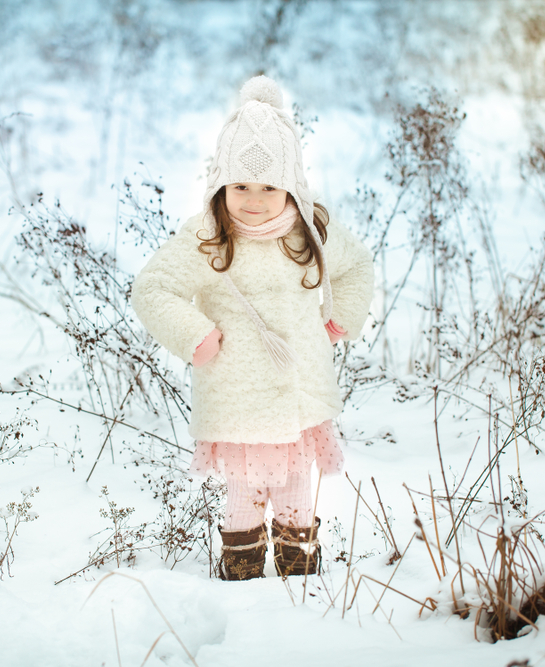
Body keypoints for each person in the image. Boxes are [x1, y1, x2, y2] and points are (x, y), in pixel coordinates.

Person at [131, 76, 374, 580]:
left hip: (299, 399)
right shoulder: (208, 236)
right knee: (242, 501)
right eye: (241, 185)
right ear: (221, 182)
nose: (255, 200)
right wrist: (194, 333)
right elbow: (153, 288)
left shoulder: (312, 231)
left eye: (269, 187)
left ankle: (299, 576)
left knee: (295, 498)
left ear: (291, 184)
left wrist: (339, 317)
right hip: (237, 401)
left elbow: (356, 266)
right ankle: (240, 581)